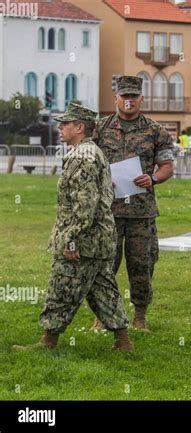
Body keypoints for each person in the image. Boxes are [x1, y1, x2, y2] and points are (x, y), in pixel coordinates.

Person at [13, 103, 133, 352]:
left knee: (61, 287)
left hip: (84, 240)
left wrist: (71, 240)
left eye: (65, 123)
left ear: (79, 127)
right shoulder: (93, 152)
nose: (60, 127)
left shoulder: (82, 156)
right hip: (98, 239)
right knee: (103, 291)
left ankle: (48, 342)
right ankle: (123, 343)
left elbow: (84, 204)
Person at [91, 76, 174, 331]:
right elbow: (88, 161)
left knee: (142, 265)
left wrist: (152, 178)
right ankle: (102, 318)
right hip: (108, 213)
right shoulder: (100, 129)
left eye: (133, 96)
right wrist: (101, 178)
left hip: (142, 212)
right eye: (124, 96)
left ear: (141, 99)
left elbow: (167, 167)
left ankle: (140, 318)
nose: (129, 101)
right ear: (115, 98)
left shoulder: (155, 130)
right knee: (105, 265)